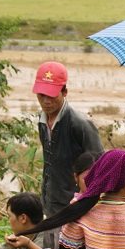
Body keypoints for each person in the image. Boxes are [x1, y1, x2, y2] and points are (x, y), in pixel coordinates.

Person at [33, 62, 103, 218]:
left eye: (51, 95)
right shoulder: (42, 120)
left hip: (74, 205)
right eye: (41, 95)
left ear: (64, 92)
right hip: (50, 202)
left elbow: (100, 164)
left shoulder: (80, 124)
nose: (46, 101)